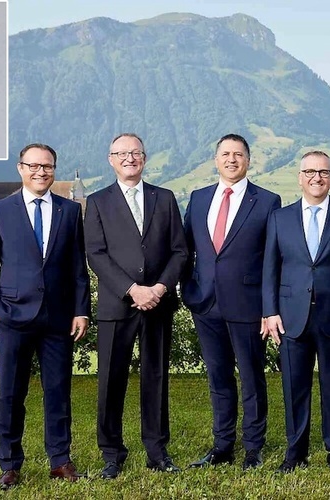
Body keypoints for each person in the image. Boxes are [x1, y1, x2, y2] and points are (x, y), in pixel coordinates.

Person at [0, 143, 90, 489]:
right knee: (10, 394)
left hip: (58, 318)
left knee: (58, 392)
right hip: (12, 317)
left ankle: (60, 461)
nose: (41, 172)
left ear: (54, 170)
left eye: (47, 166)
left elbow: (77, 267)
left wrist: (81, 310)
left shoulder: (70, 211)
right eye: (34, 166)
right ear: (21, 168)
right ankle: (9, 464)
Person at [84, 133, 189, 479]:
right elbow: (96, 254)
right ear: (111, 159)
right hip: (117, 304)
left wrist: (158, 288)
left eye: (135, 152)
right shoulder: (97, 201)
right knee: (110, 379)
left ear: (144, 158)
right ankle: (111, 453)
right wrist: (132, 290)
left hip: (158, 302)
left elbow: (179, 251)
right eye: (122, 153)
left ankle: (157, 451)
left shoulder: (165, 198)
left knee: (155, 377)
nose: (129, 158)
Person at [261, 151, 330, 473]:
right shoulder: (280, 218)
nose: (316, 178)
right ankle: (295, 452)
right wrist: (270, 312)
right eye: (310, 172)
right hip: (290, 317)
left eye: (323, 172)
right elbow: (270, 269)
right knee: (294, 388)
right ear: (300, 178)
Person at [181, 134, 281, 470]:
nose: (232, 159)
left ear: (248, 160)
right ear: (216, 159)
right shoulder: (198, 198)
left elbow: (272, 259)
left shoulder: (267, 201)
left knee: (251, 378)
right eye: (225, 154)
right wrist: (188, 289)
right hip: (205, 304)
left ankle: (253, 448)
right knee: (218, 377)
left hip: (248, 305)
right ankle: (222, 446)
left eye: (238, 154)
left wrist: (269, 308)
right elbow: (185, 250)